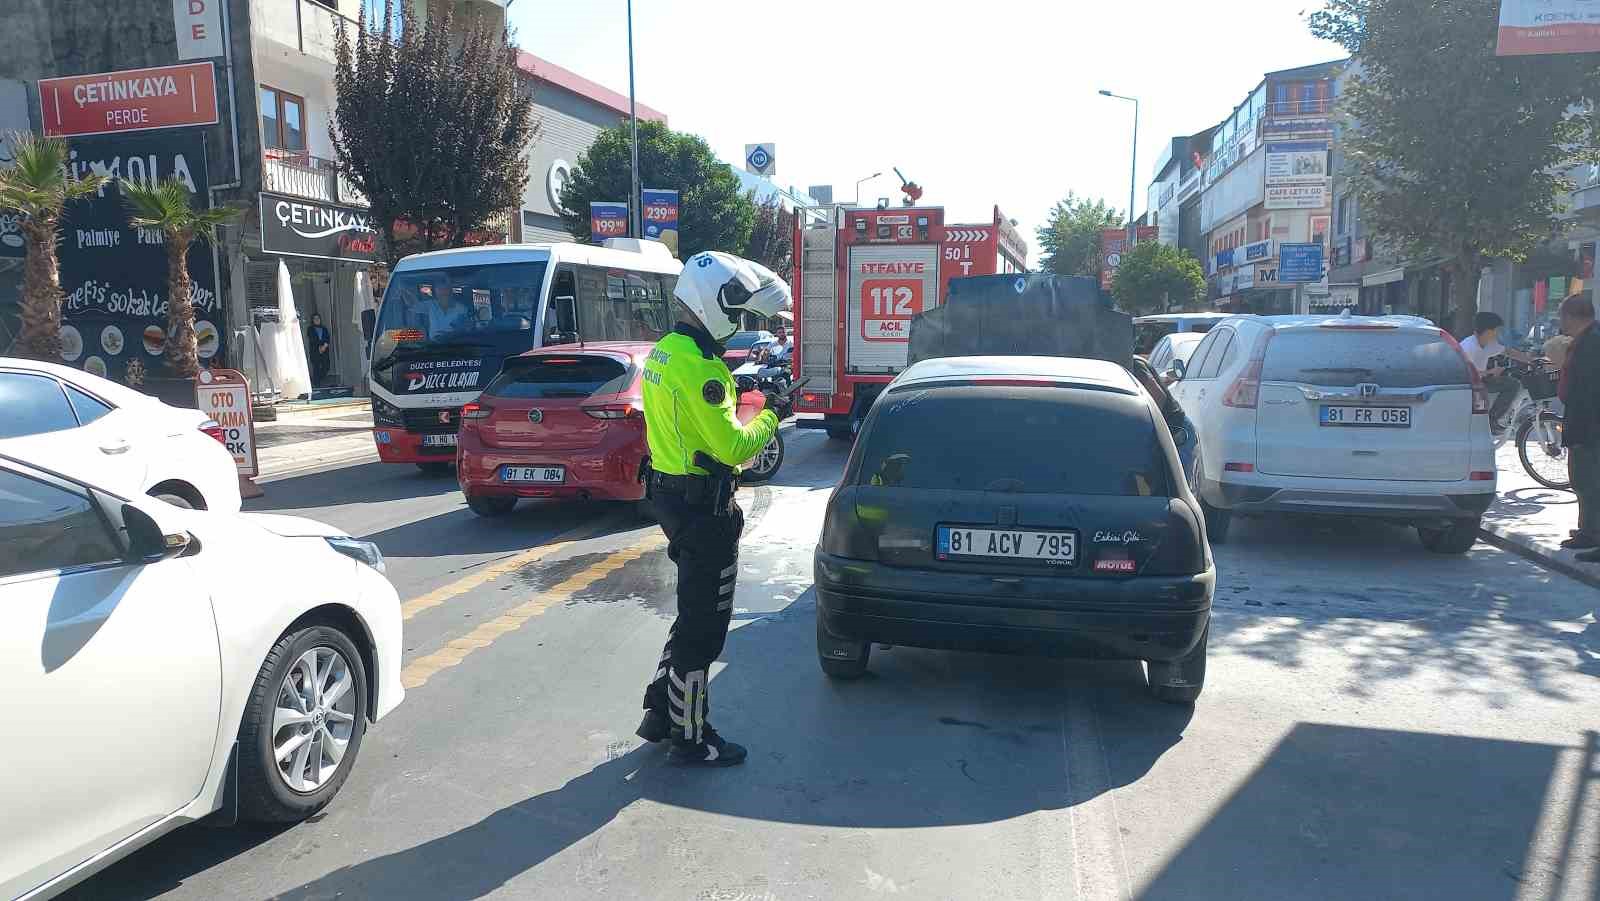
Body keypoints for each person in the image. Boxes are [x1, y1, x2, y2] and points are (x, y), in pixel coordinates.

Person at [634, 251, 788, 766]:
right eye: (738, 311)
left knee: (690, 613)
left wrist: (737, 396)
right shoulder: (702, 368)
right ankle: (692, 737)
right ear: (716, 304)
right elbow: (735, 449)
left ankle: (660, 711)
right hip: (704, 511)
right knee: (705, 630)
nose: (740, 323)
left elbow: (692, 420)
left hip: (671, 498)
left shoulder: (664, 352)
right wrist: (773, 415)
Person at [1554, 293, 1600, 559]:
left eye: (1563, 316)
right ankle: (1588, 532)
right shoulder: (1585, 339)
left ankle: (1594, 536)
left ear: (1572, 316)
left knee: (1591, 482)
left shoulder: (1592, 342)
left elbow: (1589, 390)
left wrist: (1584, 430)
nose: (1562, 322)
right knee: (1582, 480)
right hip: (1583, 422)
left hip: (1590, 425)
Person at [1459, 311, 1532, 430]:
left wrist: (1531, 360)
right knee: (1482, 398)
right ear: (1488, 331)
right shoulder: (1469, 347)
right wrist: (1491, 372)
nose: (1498, 334)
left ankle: (1492, 420)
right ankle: (1483, 425)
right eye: (1497, 330)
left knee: (1512, 384)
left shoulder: (1487, 344)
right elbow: (1465, 374)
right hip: (1469, 385)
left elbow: (1508, 352)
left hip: (1481, 380)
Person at [306, 313, 332, 388]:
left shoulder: (324, 329)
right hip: (315, 351)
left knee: (326, 366)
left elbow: (327, 338)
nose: (317, 320)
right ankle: (316, 384)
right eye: (315, 319)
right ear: (312, 320)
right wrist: (319, 348)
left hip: (324, 350)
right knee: (316, 367)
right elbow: (312, 339)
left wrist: (324, 346)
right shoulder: (310, 329)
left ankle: (317, 379)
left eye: (318, 318)